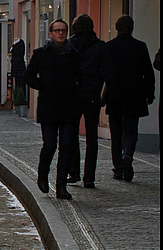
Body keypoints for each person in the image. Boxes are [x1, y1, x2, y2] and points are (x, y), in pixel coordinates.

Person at [24, 19, 81, 200]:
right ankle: (43, 174)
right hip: (48, 106)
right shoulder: (41, 54)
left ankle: (61, 186)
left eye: (63, 30)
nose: (61, 33)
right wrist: (44, 85)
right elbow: (28, 76)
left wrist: (75, 87)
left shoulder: (74, 54)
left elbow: (81, 77)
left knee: (66, 147)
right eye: (57, 30)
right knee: (49, 145)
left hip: (68, 107)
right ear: (51, 34)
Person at [103, 15, 155, 182]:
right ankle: (127, 156)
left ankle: (118, 168)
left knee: (116, 133)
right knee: (131, 131)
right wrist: (149, 93)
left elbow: (105, 72)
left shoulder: (109, 47)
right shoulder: (140, 47)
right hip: (135, 95)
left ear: (117, 28)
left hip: (115, 95)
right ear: (131, 28)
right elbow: (148, 73)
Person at [68, 14, 109, 188]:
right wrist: (103, 95)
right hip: (92, 95)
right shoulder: (101, 47)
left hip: (73, 95)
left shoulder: (69, 45)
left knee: (71, 134)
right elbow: (107, 72)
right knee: (92, 137)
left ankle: (74, 171)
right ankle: (89, 177)